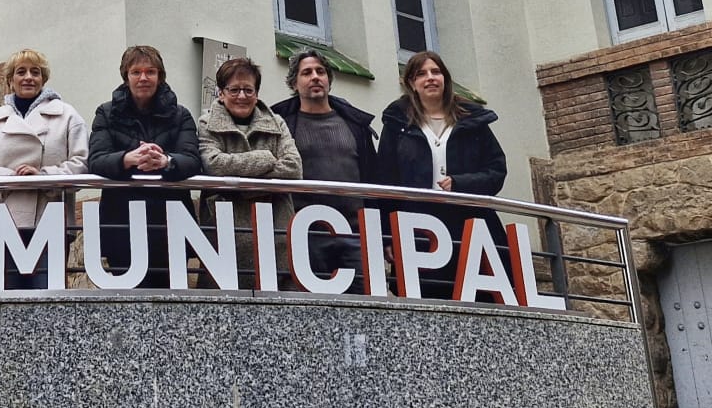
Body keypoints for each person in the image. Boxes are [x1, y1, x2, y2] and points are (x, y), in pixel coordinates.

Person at [377, 49, 507, 291]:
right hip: (417, 229)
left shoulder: (472, 121)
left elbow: (496, 170)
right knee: (427, 297)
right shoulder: (397, 125)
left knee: (477, 299)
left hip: (470, 227)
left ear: (445, 79)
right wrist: (387, 235)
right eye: (421, 74)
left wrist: (461, 183)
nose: (430, 78)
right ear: (411, 84)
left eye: (436, 72)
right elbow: (384, 182)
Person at [0, 50, 89, 289]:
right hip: (3, 221)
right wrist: (11, 178)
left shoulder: (67, 116)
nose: (28, 77)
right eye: (21, 72)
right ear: (10, 80)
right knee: (6, 302)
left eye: (35, 72)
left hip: (49, 218)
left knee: (46, 299)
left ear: (44, 79)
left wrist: (43, 177)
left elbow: (81, 162)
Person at [87, 44, 201, 289]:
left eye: (150, 71)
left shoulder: (181, 115)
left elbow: (192, 159)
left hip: (171, 222)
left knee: (173, 301)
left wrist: (166, 161)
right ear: (125, 77)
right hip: (121, 221)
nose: (143, 78)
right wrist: (130, 158)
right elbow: (96, 159)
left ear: (160, 77)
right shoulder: (106, 113)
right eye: (136, 72)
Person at [271, 49, 377, 293]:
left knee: (366, 306)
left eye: (320, 72)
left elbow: (372, 176)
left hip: (355, 233)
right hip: (305, 234)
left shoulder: (355, 124)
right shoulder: (282, 123)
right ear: (294, 83)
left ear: (329, 79)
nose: (315, 77)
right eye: (306, 73)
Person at [195, 56, 301, 288]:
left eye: (248, 90)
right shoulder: (206, 123)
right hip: (224, 241)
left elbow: (294, 167)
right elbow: (214, 165)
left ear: (257, 93)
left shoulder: (277, 123)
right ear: (221, 93)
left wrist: (238, 186)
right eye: (234, 90)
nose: (242, 96)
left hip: (276, 237)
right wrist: (265, 158)